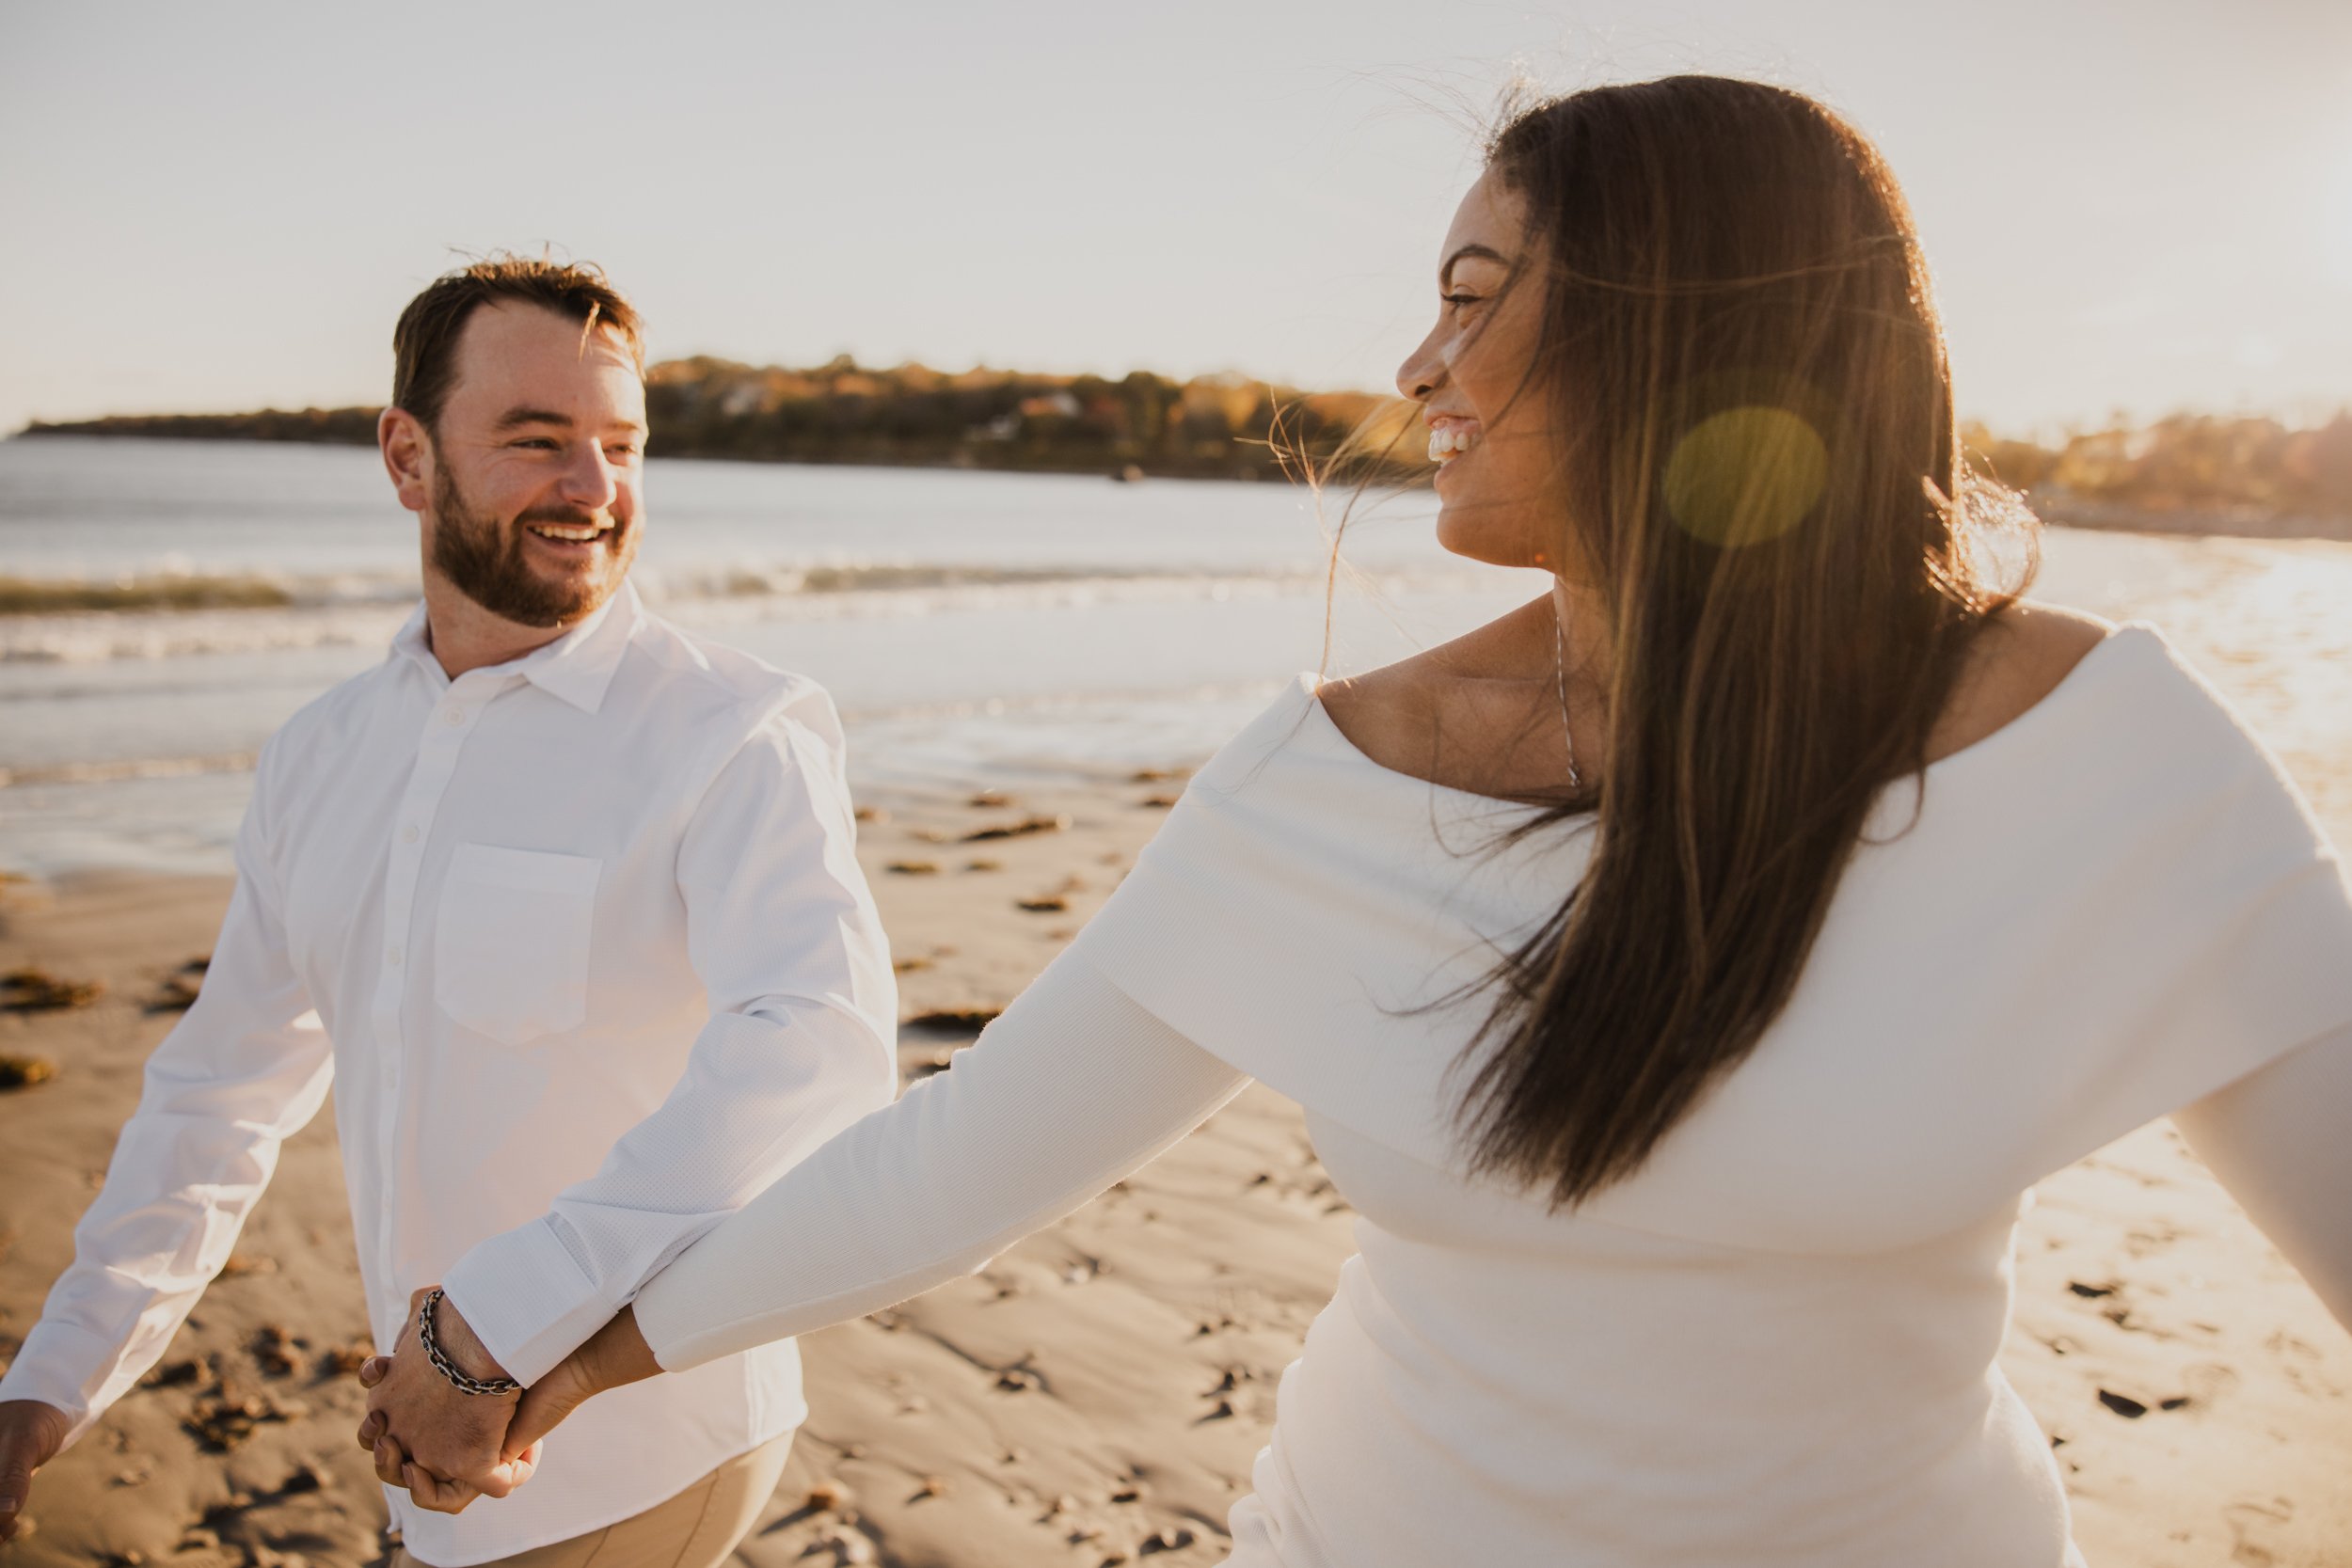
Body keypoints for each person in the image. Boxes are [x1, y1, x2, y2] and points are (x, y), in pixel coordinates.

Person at [364, 79, 2352, 1566]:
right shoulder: (1335, 773)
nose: (1415, 367)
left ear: (1683, 327)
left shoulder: (2103, 753)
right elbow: (955, 1162)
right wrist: (544, 1355)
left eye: (1473, 295)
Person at [0, 258, 900, 1568]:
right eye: (539, 443)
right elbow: (221, 1093)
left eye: (620, 445)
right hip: (426, 1448)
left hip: (640, 1450)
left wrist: (495, 1322)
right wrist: (59, 1370)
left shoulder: (732, 732)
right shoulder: (319, 757)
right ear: (407, 458)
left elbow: (821, 1047)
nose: (595, 490)